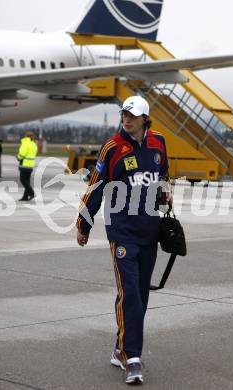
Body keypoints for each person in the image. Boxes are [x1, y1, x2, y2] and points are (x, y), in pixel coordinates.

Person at [76, 96, 172, 385]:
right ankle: (133, 358)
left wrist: (166, 190)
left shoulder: (159, 142)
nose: (126, 119)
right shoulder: (112, 147)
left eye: (132, 115)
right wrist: (84, 222)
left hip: (150, 230)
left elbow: (164, 172)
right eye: (124, 115)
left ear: (145, 118)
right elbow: (95, 186)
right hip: (122, 232)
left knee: (139, 294)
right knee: (129, 291)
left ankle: (120, 347)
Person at [17, 131, 38, 201]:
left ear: (26, 136)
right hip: (30, 165)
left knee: (23, 180)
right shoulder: (34, 144)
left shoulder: (25, 144)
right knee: (27, 181)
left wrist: (18, 157)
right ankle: (25, 197)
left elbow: (22, 154)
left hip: (24, 164)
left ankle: (31, 192)